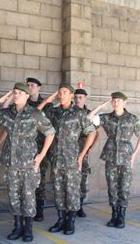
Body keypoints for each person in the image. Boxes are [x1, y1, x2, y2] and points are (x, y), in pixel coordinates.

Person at [0, 83, 55, 242]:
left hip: (28, 163)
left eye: (20, 93)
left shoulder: (35, 113)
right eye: (14, 92)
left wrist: (42, 154)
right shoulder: (7, 113)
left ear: (27, 96)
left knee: (28, 196)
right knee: (14, 196)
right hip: (11, 163)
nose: (16, 95)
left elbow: (50, 133)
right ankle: (17, 227)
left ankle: (28, 229)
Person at [38, 85, 96, 235]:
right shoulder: (53, 112)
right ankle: (61, 219)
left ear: (71, 95)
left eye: (64, 93)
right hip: (56, 159)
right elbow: (36, 114)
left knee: (72, 191)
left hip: (72, 160)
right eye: (60, 93)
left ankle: (70, 221)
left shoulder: (79, 114)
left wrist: (83, 153)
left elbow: (92, 132)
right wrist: (46, 101)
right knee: (58, 191)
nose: (61, 95)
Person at [88, 92, 140, 229]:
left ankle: (121, 216)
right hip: (111, 155)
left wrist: (135, 154)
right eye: (114, 100)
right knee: (112, 187)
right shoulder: (106, 117)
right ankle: (113, 215)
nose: (116, 103)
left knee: (124, 187)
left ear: (125, 102)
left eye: (119, 100)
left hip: (126, 157)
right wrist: (101, 106)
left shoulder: (132, 118)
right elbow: (88, 119)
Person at [26, 77, 52, 222]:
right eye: (28, 85)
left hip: (40, 147)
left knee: (39, 179)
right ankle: (27, 209)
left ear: (39, 88)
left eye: (32, 85)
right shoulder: (24, 103)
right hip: (24, 149)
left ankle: (39, 208)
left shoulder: (48, 106)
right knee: (26, 181)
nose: (30, 87)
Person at [74, 89, 100, 217]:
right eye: (76, 97)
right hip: (70, 149)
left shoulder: (91, 114)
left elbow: (96, 133)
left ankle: (80, 206)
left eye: (80, 97)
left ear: (85, 98)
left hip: (83, 150)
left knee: (82, 178)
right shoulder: (70, 112)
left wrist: (90, 148)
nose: (78, 99)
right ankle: (71, 206)